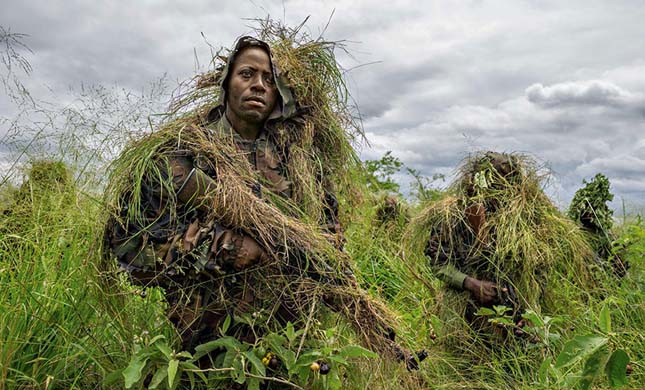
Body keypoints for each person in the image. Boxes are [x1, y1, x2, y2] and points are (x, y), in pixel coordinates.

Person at [104, 35, 410, 364]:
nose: (259, 85)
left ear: (279, 95)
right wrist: (223, 248)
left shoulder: (301, 162)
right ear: (226, 84)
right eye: (247, 74)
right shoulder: (182, 152)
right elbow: (127, 245)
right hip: (204, 347)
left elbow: (328, 240)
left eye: (269, 79)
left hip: (288, 345)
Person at [411, 152, 597, 348]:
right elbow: (440, 265)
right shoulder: (451, 218)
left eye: (506, 184)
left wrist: (530, 312)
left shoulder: (529, 220)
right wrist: (471, 283)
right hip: (468, 312)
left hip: (518, 312)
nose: (500, 192)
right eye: (494, 184)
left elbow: (539, 272)